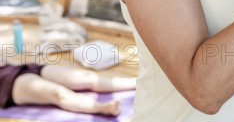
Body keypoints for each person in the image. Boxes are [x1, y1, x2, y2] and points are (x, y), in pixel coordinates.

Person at [0, 63, 136, 115]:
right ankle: (102, 108)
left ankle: (136, 82)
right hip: (7, 83)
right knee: (58, 94)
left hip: (21, 68)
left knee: (86, 77)